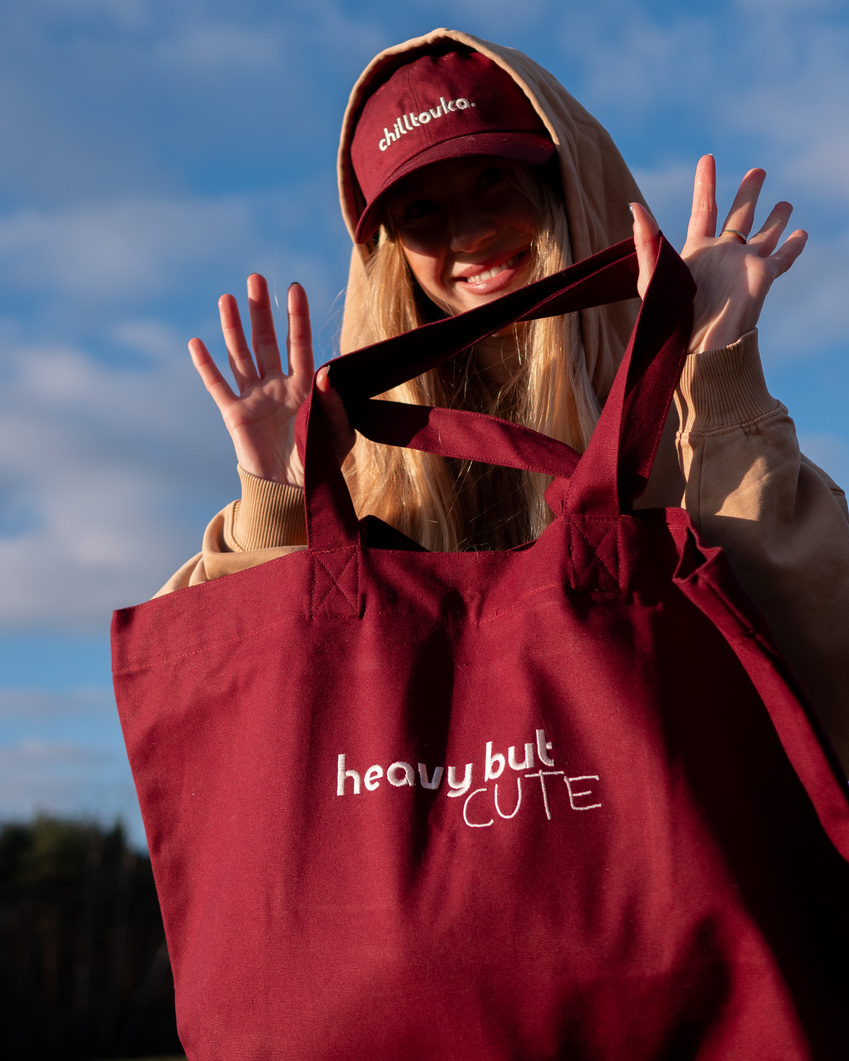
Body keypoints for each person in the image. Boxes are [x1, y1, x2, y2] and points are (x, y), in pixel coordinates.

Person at [159, 28, 849, 769]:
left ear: (569, 188)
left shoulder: (682, 419)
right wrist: (280, 502)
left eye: (493, 178)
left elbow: (814, 650)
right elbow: (218, 734)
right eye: (421, 210)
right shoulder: (359, 465)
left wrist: (711, 370)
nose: (471, 231)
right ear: (386, 254)